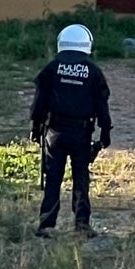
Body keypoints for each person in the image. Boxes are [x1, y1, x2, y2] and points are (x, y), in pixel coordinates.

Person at [31, 23, 112, 236]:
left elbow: (39, 100)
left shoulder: (51, 67)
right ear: (87, 44)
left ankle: (46, 224)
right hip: (81, 132)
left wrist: (35, 126)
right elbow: (102, 103)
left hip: (54, 131)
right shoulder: (93, 71)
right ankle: (82, 224)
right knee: (81, 177)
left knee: (53, 177)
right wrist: (105, 133)